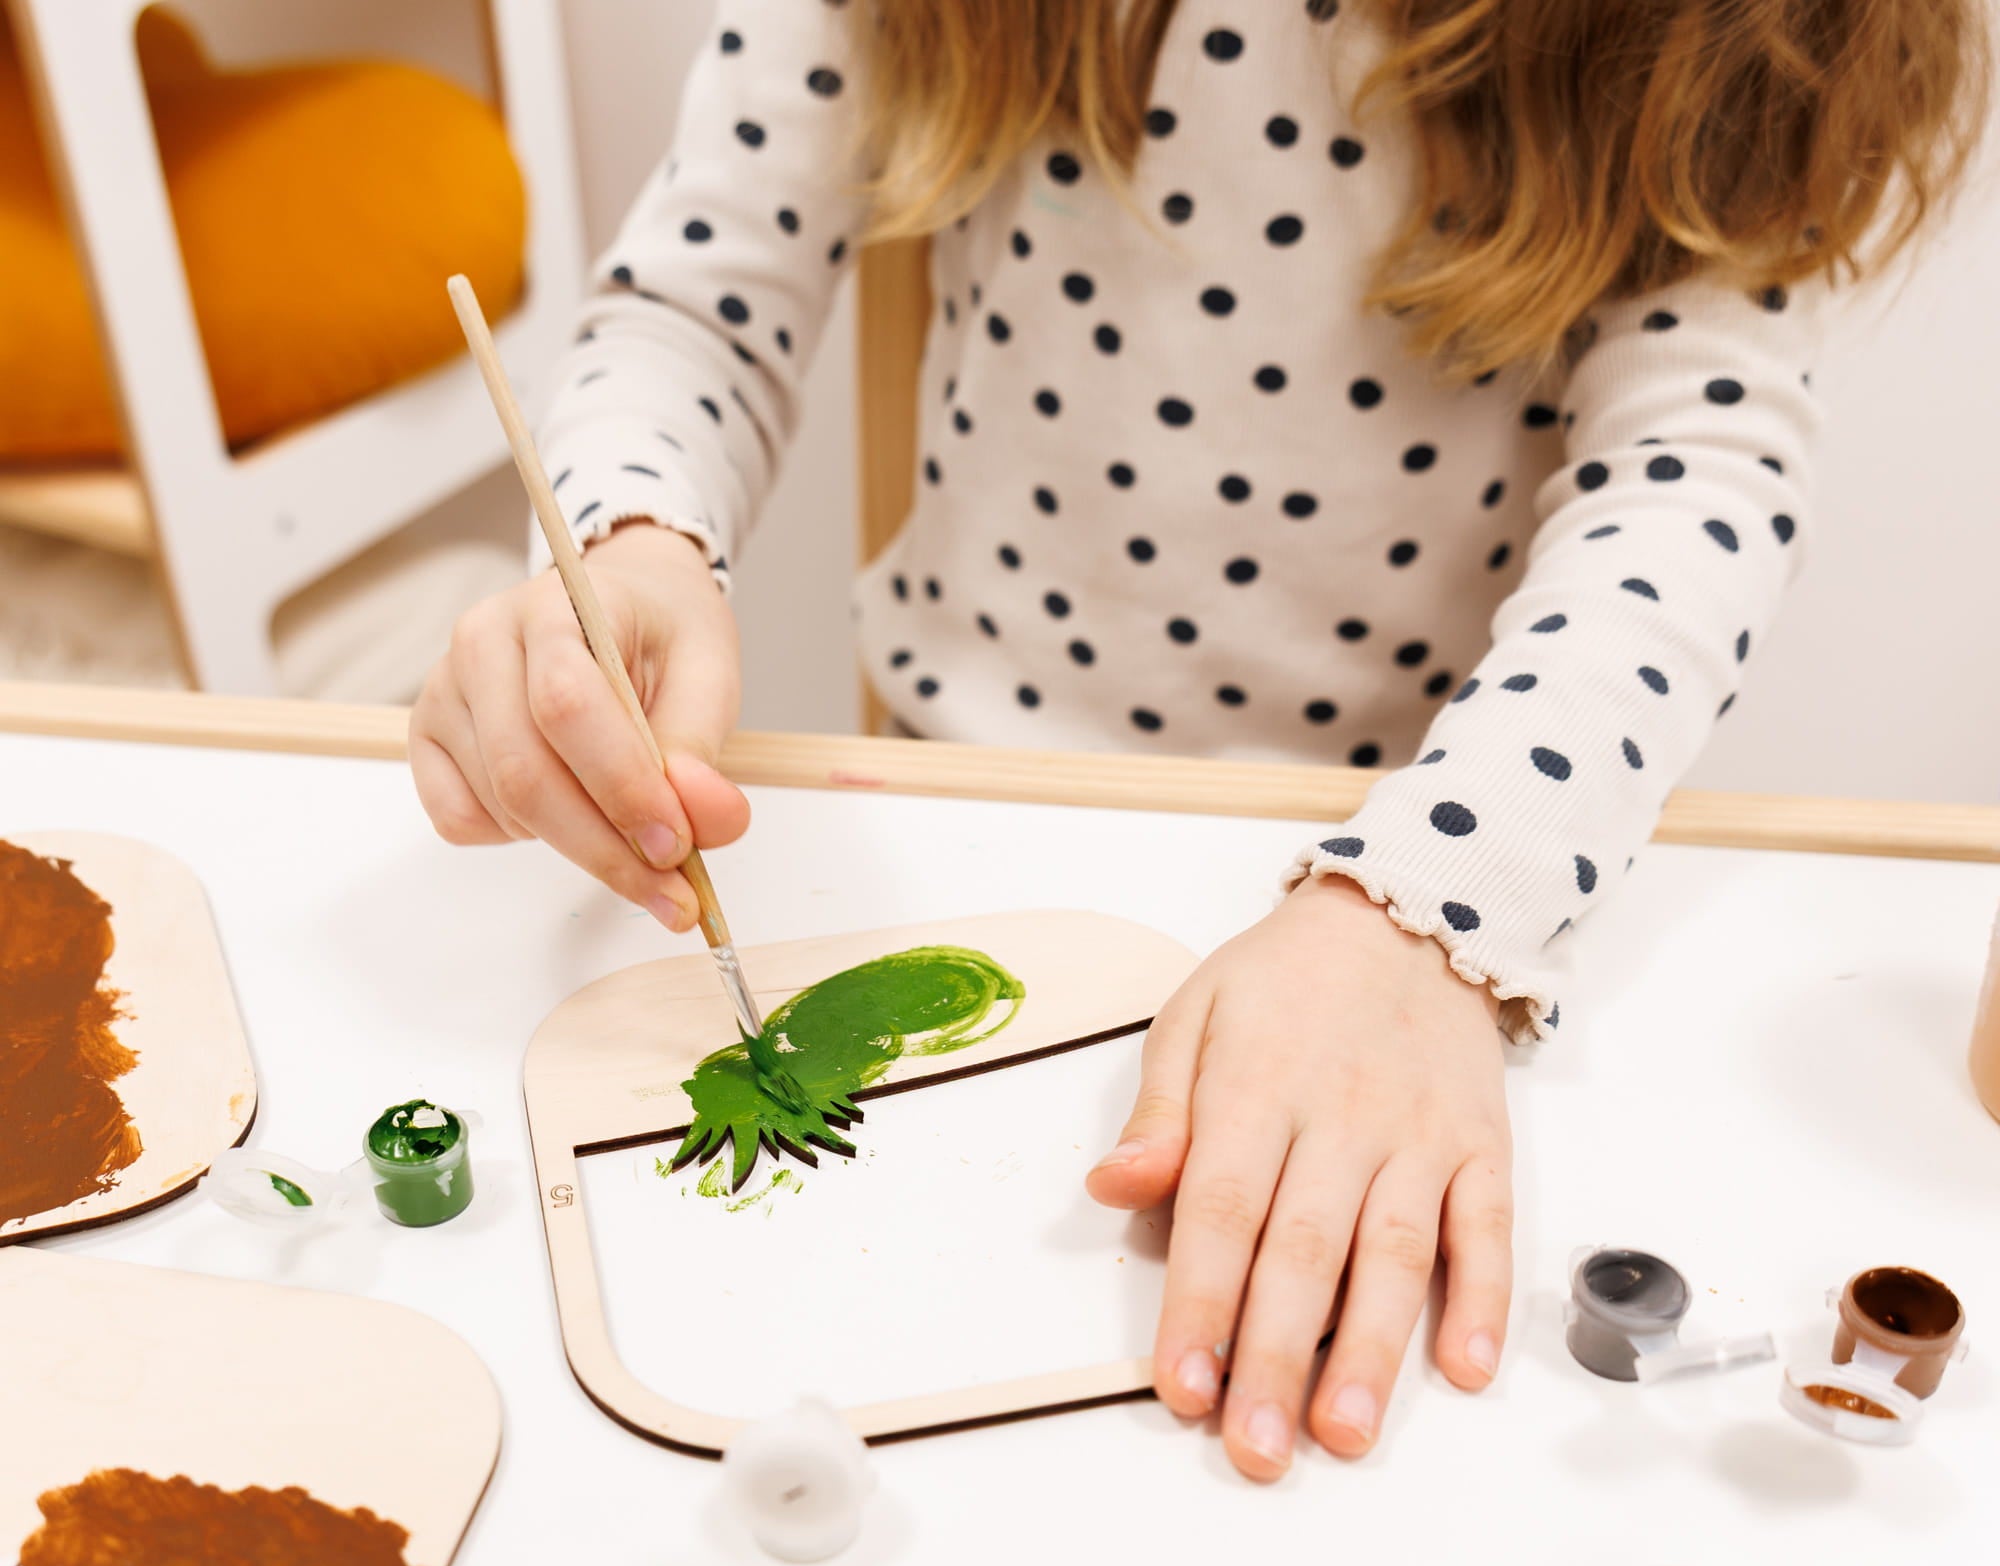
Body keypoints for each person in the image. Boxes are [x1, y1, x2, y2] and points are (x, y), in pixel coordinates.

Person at [412, 0, 1987, 1480]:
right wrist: (625, 533)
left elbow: (1699, 485)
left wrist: (1426, 917)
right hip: (965, 795)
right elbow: (697, 296)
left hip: (1387, 892)